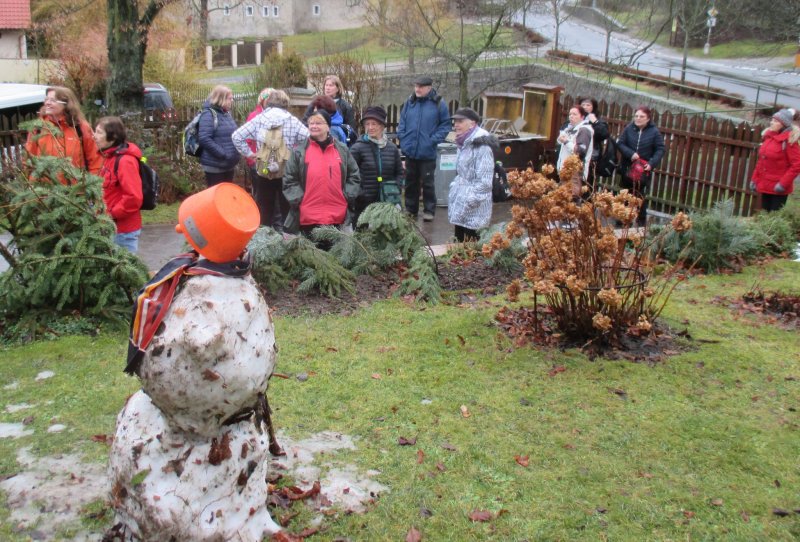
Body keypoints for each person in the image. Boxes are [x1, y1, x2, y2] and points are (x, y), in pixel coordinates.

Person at [232, 89, 310, 229]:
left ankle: (264, 240)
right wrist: (297, 156)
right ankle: (287, 239)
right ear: (285, 103)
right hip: (287, 171)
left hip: (264, 170)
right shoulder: (292, 120)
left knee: (264, 208)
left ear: (268, 102)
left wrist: (250, 153)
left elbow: (236, 136)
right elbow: (309, 138)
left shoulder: (259, 119)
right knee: (287, 208)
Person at [282, 110, 360, 242]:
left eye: (318, 122)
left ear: (328, 126)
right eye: (311, 123)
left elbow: (354, 175)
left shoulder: (341, 150)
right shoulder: (299, 152)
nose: (313, 126)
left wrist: (347, 195)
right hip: (308, 217)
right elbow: (289, 180)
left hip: (337, 216)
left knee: (335, 258)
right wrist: (299, 199)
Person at [397, 75, 451, 221]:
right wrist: (403, 137)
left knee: (428, 183)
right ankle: (411, 210)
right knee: (410, 182)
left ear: (429, 88)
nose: (417, 89)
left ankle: (429, 210)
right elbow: (402, 121)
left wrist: (432, 140)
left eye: (420, 87)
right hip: (410, 150)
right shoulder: (410, 102)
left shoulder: (438, 103)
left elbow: (445, 125)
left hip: (427, 151)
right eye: (416, 86)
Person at [25, 86, 103, 180]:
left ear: (66, 104)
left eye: (53, 100)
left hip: (76, 190)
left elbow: (95, 159)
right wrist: (33, 187)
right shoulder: (38, 128)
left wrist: (91, 186)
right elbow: (29, 160)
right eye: (46, 99)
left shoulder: (80, 127)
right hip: (45, 191)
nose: (47, 103)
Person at [93, 116, 143, 253]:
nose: (94, 136)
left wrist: (110, 214)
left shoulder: (125, 161)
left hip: (122, 232)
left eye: (99, 132)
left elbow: (133, 198)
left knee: (125, 271)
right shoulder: (108, 158)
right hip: (109, 227)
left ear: (113, 136)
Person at [447, 108, 497, 243]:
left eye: (460, 121)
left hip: (475, 208)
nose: (456, 124)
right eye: (455, 121)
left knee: (472, 252)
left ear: (472, 123)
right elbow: (461, 173)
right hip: (461, 203)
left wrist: (470, 200)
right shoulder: (463, 143)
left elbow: (485, 182)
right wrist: (455, 191)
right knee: (458, 248)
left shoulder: (482, 147)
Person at [349, 106, 404, 225]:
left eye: (374, 124)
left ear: (382, 126)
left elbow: (399, 172)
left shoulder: (392, 148)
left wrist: (395, 188)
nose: (370, 127)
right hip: (364, 205)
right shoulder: (357, 148)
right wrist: (359, 194)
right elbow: (349, 174)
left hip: (387, 201)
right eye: (367, 124)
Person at [616, 106, 665, 226]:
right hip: (628, 167)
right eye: (636, 116)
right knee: (625, 193)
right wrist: (630, 153)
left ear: (648, 118)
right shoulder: (629, 129)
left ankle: (641, 221)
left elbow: (660, 149)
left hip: (643, 170)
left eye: (641, 116)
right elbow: (620, 143)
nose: (638, 118)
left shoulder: (654, 132)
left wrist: (651, 163)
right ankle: (622, 219)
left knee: (640, 195)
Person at [749, 108, 800, 212]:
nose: (771, 122)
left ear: (784, 124)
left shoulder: (790, 141)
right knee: (765, 216)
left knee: (774, 219)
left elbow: (797, 164)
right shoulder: (769, 137)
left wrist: (783, 184)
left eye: (776, 121)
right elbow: (761, 162)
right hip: (766, 185)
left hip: (779, 188)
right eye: (772, 120)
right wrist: (754, 179)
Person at [198, 85, 240, 187]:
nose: (232, 101)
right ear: (222, 99)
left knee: (226, 197)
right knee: (216, 198)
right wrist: (223, 154)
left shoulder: (226, 114)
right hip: (215, 166)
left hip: (228, 164)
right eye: (230, 98)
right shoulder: (208, 114)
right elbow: (204, 138)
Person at [556, 105, 594, 198]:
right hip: (565, 172)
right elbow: (559, 142)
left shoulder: (584, 130)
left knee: (572, 202)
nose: (571, 116)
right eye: (570, 114)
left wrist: (566, 141)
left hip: (575, 174)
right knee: (562, 200)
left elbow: (580, 151)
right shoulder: (569, 129)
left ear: (582, 117)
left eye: (575, 114)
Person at [580, 97, 610, 184]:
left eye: (588, 105)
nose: (585, 107)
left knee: (587, 183)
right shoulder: (575, 118)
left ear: (593, 107)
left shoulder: (598, 121)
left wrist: (595, 122)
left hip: (591, 157)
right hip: (575, 154)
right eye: (583, 105)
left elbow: (604, 134)